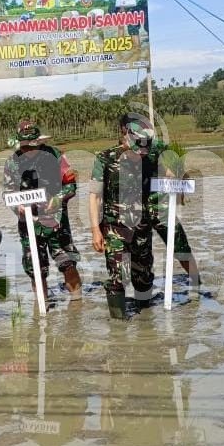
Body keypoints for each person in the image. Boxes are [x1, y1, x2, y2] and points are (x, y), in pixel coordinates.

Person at [89, 114, 198, 319]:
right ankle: (119, 326)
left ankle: (147, 320)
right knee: (117, 276)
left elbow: (172, 175)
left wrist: (180, 181)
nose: (141, 153)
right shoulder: (104, 158)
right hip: (115, 226)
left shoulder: (153, 153)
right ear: (125, 136)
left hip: (143, 223)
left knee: (143, 277)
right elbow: (94, 196)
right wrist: (95, 230)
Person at [2, 120, 82, 299]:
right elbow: (7, 193)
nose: (29, 151)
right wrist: (18, 207)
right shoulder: (12, 163)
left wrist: (58, 199)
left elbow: (71, 185)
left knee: (67, 262)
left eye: (33, 146)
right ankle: (42, 305)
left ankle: (77, 305)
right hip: (28, 223)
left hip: (57, 220)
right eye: (25, 147)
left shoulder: (56, 156)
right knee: (35, 268)